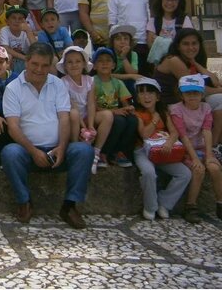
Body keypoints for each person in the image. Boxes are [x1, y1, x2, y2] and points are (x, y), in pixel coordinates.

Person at [1, 42, 94, 228]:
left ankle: (69, 206)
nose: (39, 70)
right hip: (28, 152)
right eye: (35, 64)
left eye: (44, 65)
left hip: (57, 149)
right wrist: (34, 151)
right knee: (9, 153)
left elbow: (64, 118)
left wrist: (62, 147)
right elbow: (13, 127)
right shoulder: (13, 88)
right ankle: (24, 202)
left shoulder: (57, 84)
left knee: (84, 151)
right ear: (27, 62)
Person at [132, 77, 191, 221]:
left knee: (185, 174)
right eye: (142, 93)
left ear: (157, 97)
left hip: (163, 151)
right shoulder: (137, 114)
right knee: (148, 173)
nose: (146, 96)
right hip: (143, 151)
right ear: (137, 98)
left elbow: (174, 132)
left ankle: (164, 203)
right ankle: (150, 206)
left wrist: (169, 143)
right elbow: (144, 134)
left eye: (150, 93)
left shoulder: (164, 112)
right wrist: (154, 119)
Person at [154, 28, 222, 146]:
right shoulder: (174, 60)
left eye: (194, 43)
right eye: (186, 44)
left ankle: (215, 142)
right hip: (172, 104)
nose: (191, 47)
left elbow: (215, 82)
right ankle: (213, 145)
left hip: (188, 99)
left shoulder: (189, 60)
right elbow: (195, 88)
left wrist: (194, 62)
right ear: (178, 46)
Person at [169, 75, 222, 223]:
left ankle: (220, 202)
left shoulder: (206, 108)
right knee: (198, 170)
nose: (192, 96)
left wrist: (209, 154)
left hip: (202, 146)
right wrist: (194, 158)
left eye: (196, 93)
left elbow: (207, 130)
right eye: (188, 93)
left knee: (215, 168)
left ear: (202, 94)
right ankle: (190, 206)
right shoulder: (176, 110)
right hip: (185, 149)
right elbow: (183, 135)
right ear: (182, 95)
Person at [92, 47, 137, 168]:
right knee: (119, 120)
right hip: (100, 115)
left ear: (113, 65)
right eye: (100, 61)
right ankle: (103, 152)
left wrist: (129, 109)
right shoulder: (92, 82)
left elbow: (125, 102)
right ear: (94, 66)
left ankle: (118, 152)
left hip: (115, 112)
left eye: (108, 60)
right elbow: (93, 107)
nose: (105, 63)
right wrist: (115, 111)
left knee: (132, 119)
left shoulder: (118, 83)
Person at [108, 0, 150, 74]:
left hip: (142, 42)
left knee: (142, 74)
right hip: (125, 44)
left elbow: (148, 18)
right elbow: (112, 22)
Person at [146, 0, 193, 65]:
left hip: (180, 63)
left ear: (179, 2)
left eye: (174, 0)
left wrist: (159, 40)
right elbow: (151, 44)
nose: (170, 3)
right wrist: (173, 42)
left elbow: (186, 43)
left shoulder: (184, 20)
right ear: (161, 0)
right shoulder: (153, 21)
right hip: (160, 64)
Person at [0, 5, 36, 74]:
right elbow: (5, 48)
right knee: (8, 57)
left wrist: (28, 31)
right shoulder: (5, 30)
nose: (17, 21)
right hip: (13, 60)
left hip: (24, 60)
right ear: (7, 21)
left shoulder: (26, 31)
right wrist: (24, 57)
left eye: (20, 18)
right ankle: (8, 78)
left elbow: (36, 47)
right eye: (13, 18)